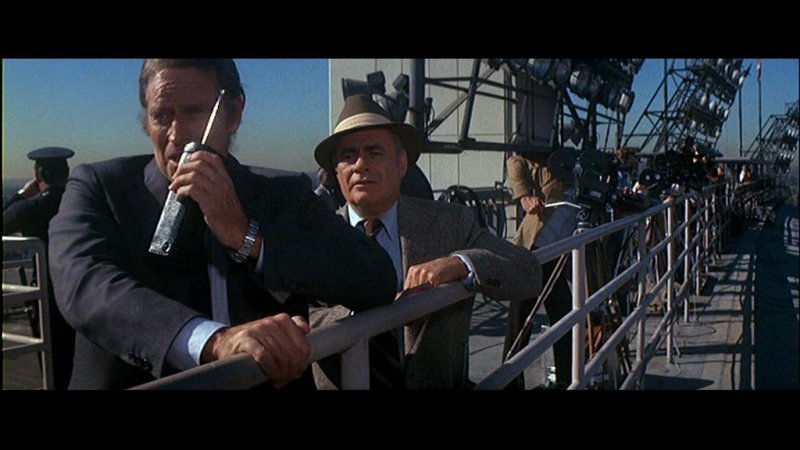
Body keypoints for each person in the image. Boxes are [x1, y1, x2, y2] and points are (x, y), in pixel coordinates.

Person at [47, 59, 396, 390]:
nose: (176, 135)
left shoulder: (285, 195)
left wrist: (248, 236)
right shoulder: (100, 188)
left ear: (234, 114)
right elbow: (84, 284)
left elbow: (374, 276)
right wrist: (213, 341)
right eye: (162, 116)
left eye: (194, 112)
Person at [309, 95, 542, 389]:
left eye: (374, 152)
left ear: (401, 164)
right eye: (348, 155)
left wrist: (460, 263)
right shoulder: (313, 240)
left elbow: (528, 272)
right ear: (336, 171)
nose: (360, 165)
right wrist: (364, 317)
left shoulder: (449, 223)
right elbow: (297, 319)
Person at [4, 146, 76, 390]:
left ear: (38, 174)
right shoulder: (80, 202)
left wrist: (22, 194)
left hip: (47, 292)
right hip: (81, 287)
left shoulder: (31, 208)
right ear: (67, 173)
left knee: (52, 360)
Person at [504, 151, 573, 389]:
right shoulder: (550, 170)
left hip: (558, 259)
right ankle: (510, 383)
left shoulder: (590, 187)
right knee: (519, 322)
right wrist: (525, 196)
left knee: (565, 318)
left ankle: (567, 379)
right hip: (532, 254)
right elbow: (515, 161)